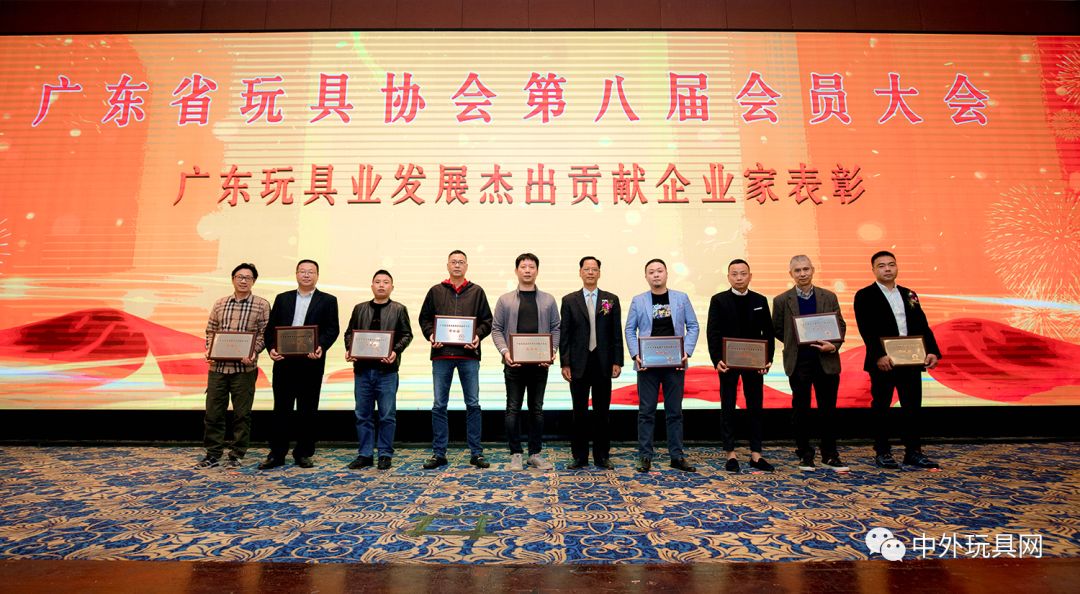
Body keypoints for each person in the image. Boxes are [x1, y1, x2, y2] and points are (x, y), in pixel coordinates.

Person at [854, 250, 942, 470]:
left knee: (912, 407)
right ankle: (882, 452)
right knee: (881, 407)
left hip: (910, 359)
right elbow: (866, 329)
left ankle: (913, 452)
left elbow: (922, 324)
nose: (887, 269)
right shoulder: (865, 295)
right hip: (884, 362)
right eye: (882, 265)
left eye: (891, 264)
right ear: (873, 270)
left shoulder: (909, 294)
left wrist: (932, 350)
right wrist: (878, 355)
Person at [259, 259, 339, 469]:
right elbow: (271, 329)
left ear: (317, 276)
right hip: (284, 362)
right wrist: (271, 348)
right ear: (296, 274)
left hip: (311, 363)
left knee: (308, 409)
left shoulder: (328, 300)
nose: (306, 275)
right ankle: (277, 453)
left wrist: (321, 346)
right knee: (281, 409)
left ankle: (303, 453)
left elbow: (332, 329)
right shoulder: (282, 298)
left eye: (311, 272)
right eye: (302, 271)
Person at [418, 250, 494, 470]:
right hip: (442, 355)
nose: (457, 265)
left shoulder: (477, 291)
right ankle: (439, 453)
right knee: (439, 405)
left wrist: (477, 335)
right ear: (448, 265)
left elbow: (487, 321)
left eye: (461, 262)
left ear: (466, 266)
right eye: (454, 262)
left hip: (469, 356)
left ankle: (476, 453)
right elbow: (424, 319)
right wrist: (431, 334)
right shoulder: (435, 291)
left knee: (473, 404)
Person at [772, 255, 848, 471]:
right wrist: (797, 341)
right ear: (791, 274)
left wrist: (833, 345)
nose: (802, 274)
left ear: (813, 270)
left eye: (806, 269)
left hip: (826, 360)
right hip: (799, 362)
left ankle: (830, 454)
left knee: (828, 410)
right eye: (797, 270)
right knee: (801, 411)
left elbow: (840, 325)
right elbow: (778, 329)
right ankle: (805, 453)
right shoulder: (781, 300)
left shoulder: (829, 296)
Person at [625, 258, 700, 473]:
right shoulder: (638, 300)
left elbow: (693, 326)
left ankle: (677, 456)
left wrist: (686, 352)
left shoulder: (681, 298)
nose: (656, 275)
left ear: (666, 274)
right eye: (651, 272)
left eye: (659, 271)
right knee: (646, 412)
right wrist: (635, 354)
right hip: (647, 365)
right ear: (646, 276)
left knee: (674, 412)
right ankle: (645, 456)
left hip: (674, 364)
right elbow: (630, 329)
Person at [197, 263, 270, 469]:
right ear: (233, 279)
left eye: (248, 277)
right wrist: (210, 349)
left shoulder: (261, 305)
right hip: (218, 369)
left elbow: (265, 334)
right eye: (239, 277)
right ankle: (213, 453)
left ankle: (237, 454)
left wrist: (253, 352)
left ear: (254, 281)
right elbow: (211, 330)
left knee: (242, 415)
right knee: (213, 413)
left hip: (244, 370)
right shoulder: (220, 303)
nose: (243, 281)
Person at [491, 253, 560, 471]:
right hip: (514, 364)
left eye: (531, 267)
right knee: (513, 409)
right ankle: (516, 454)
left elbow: (556, 328)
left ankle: (535, 454)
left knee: (536, 410)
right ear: (516, 271)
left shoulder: (548, 300)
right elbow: (496, 329)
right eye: (523, 266)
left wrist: (552, 351)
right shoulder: (505, 300)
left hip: (540, 365)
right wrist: (505, 352)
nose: (527, 270)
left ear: (537, 271)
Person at [706, 259, 775, 473]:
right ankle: (730, 453)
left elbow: (768, 332)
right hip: (728, 363)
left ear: (750, 276)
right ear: (728, 277)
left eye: (743, 273)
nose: (739, 277)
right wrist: (717, 359)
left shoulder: (760, 300)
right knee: (728, 406)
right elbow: (713, 332)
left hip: (755, 363)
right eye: (734, 274)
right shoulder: (719, 300)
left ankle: (756, 454)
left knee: (755, 406)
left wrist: (768, 359)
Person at [343, 270, 413, 471]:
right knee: (362, 414)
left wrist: (395, 351)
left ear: (392, 287)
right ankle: (365, 454)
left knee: (387, 415)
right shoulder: (359, 309)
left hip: (387, 371)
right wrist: (350, 348)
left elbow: (407, 335)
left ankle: (384, 454)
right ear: (372, 285)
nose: (381, 285)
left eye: (386, 282)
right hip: (362, 370)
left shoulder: (399, 309)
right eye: (378, 282)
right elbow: (349, 333)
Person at [559, 256, 623, 470]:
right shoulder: (569, 300)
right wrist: (565, 363)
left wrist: (617, 361)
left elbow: (616, 332)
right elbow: (565, 334)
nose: (590, 272)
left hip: (603, 362)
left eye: (594, 269)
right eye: (586, 269)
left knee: (602, 412)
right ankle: (579, 456)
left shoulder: (610, 299)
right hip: (578, 363)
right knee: (579, 412)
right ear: (580, 272)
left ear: (599, 273)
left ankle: (602, 456)